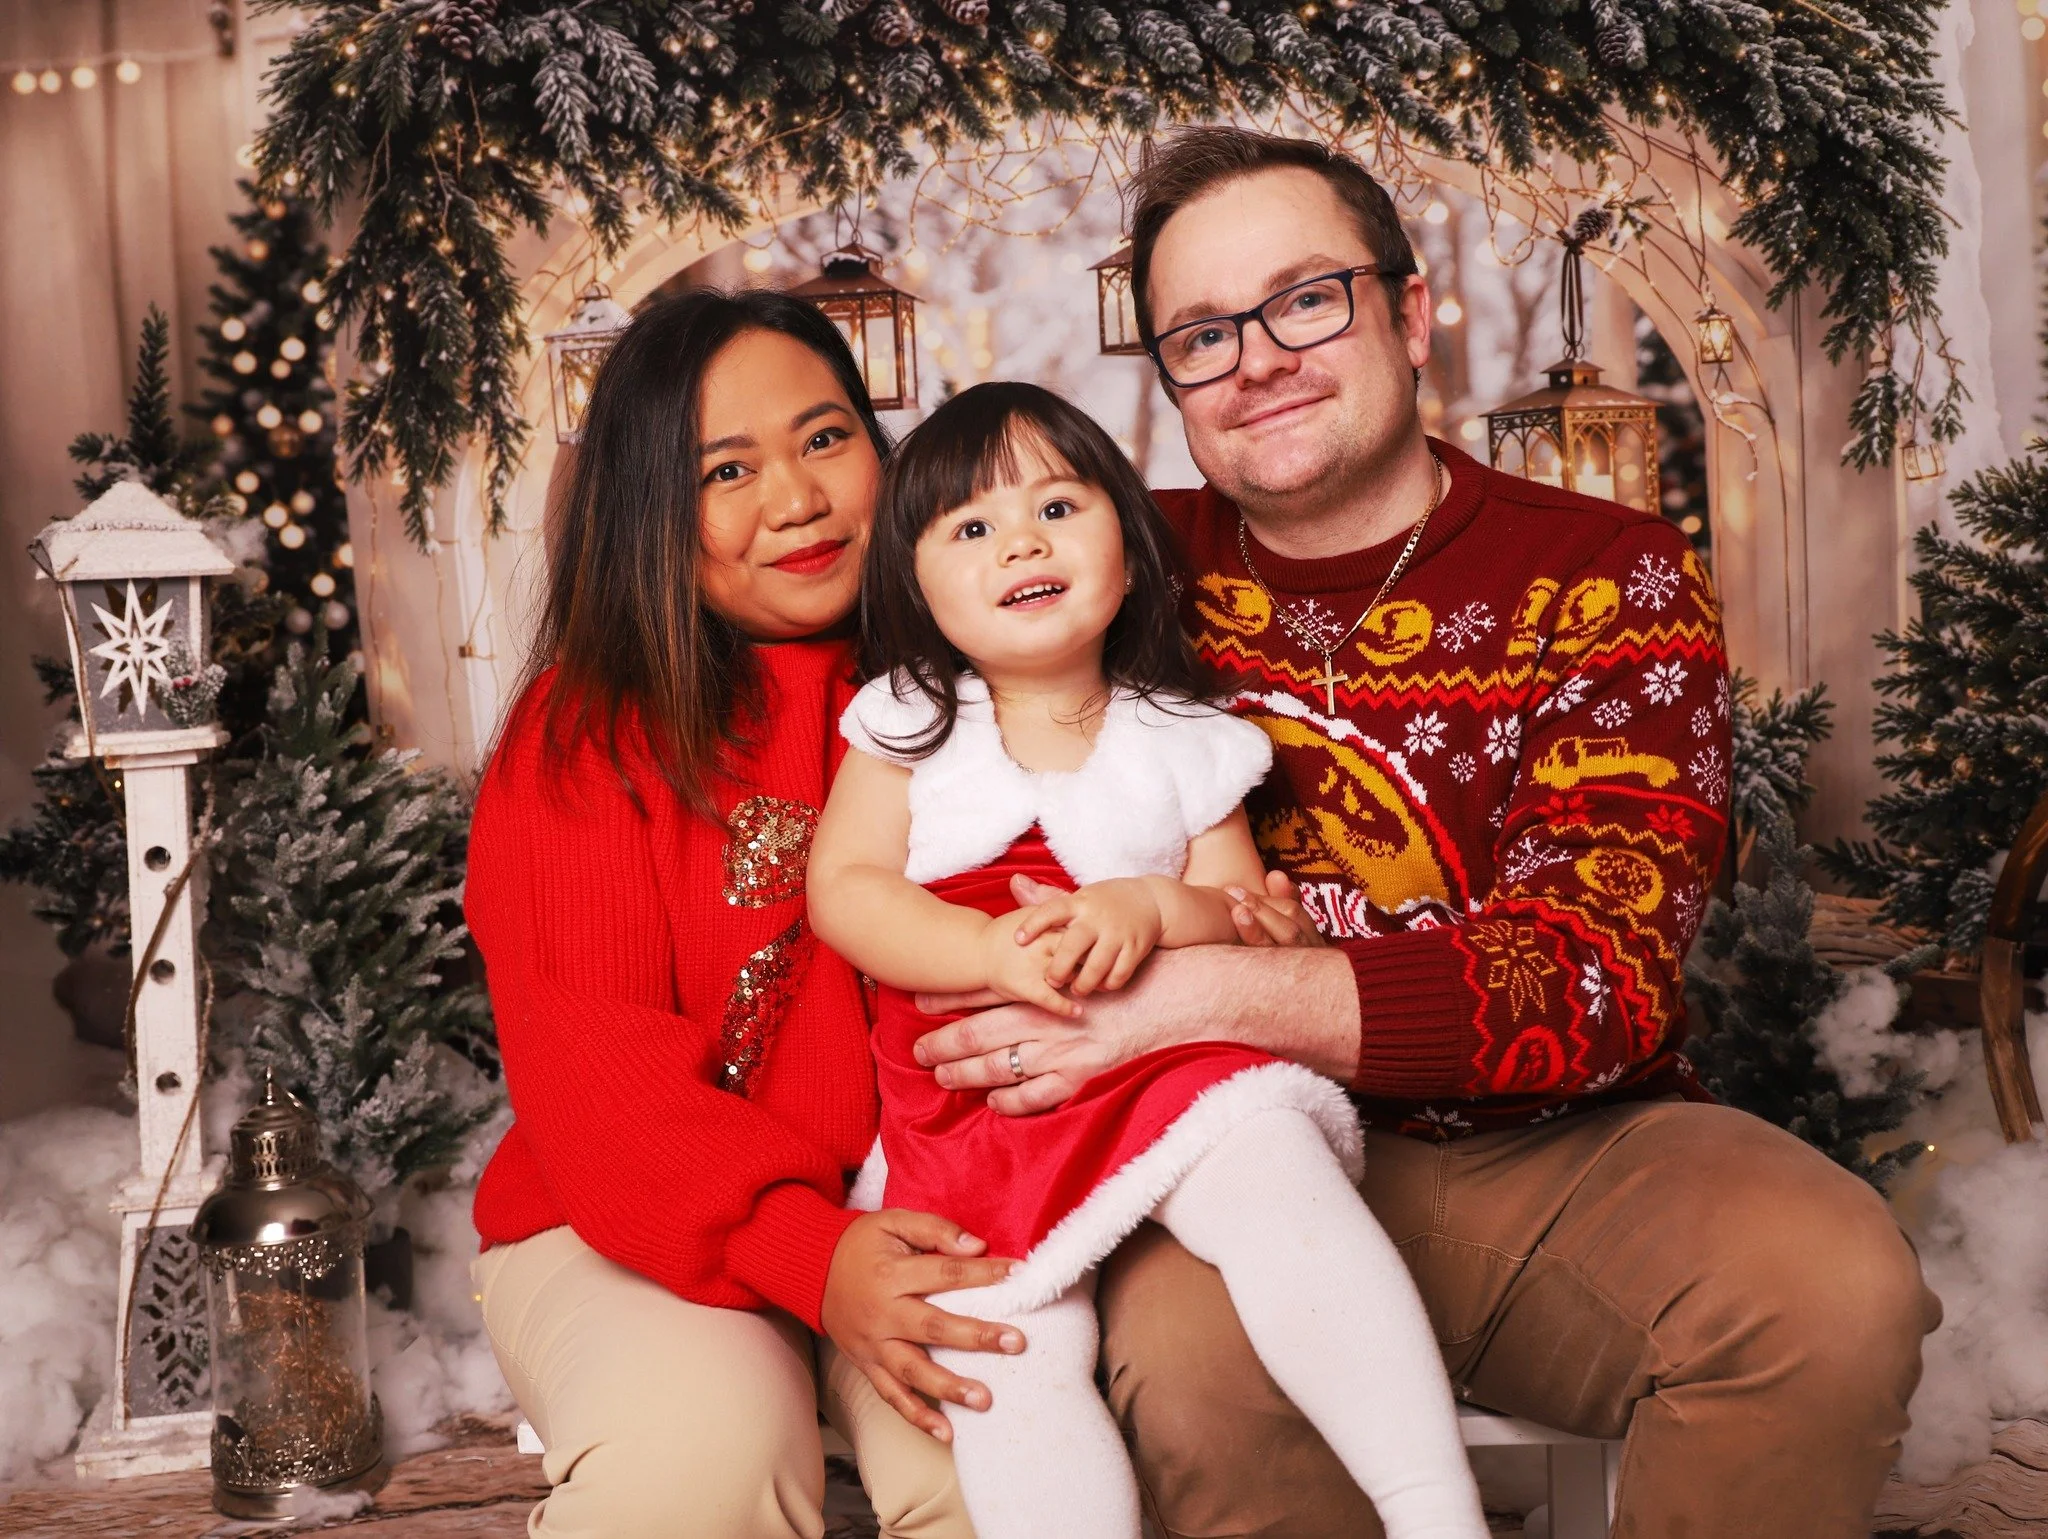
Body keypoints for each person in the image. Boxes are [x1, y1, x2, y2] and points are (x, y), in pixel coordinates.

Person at [908, 128, 1943, 1539]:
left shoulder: (1606, 576)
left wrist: (1188, 989)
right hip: (1216, 1144)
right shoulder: (1102, 560)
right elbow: (871, 667)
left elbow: (1594, 976)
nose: (1257, 357)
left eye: (1306, 299)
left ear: (1409, 311)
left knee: (1828, 1285)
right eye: (1202, 334)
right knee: (1203, 1378)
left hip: (1567, 1148)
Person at [808, 381, 1488, 1539]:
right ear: (913, 586)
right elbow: (847, 892)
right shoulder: (906, 721)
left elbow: (1232, 908)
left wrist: (1152, 907)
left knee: (1277, 1169)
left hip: (1155, 1068)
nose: (1020, 539)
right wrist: (977, 945)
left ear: (1128, 553)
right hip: (976, 1104)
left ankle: (1432, 1510)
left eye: (1058, 507)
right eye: (969, 528)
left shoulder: (1174, 734)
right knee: (1006, 1356)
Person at [464, 290, 1015, 1539]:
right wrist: (813, 1261)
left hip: (924, 1204)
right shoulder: (587, 736)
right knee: (702, 1458)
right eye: (727, 469)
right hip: (621, 1215)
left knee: (1004, 1461)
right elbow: (599, 1086)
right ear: (651, 511)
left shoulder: (987, 687)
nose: (797, 500)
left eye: (826, 439)